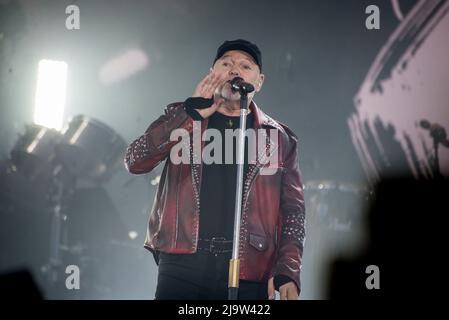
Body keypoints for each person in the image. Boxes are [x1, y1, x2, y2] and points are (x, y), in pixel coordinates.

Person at [125, 39, 305, 300]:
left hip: (251, 267)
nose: (235, 70)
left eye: (245, 66)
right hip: (182, 262)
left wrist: (287, 270)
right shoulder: (182, 116)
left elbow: (293, 212)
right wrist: (189, 115)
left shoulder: (279, 138)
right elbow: (135, 160)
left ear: (260, 81)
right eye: (226, 63)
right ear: (212, 73)